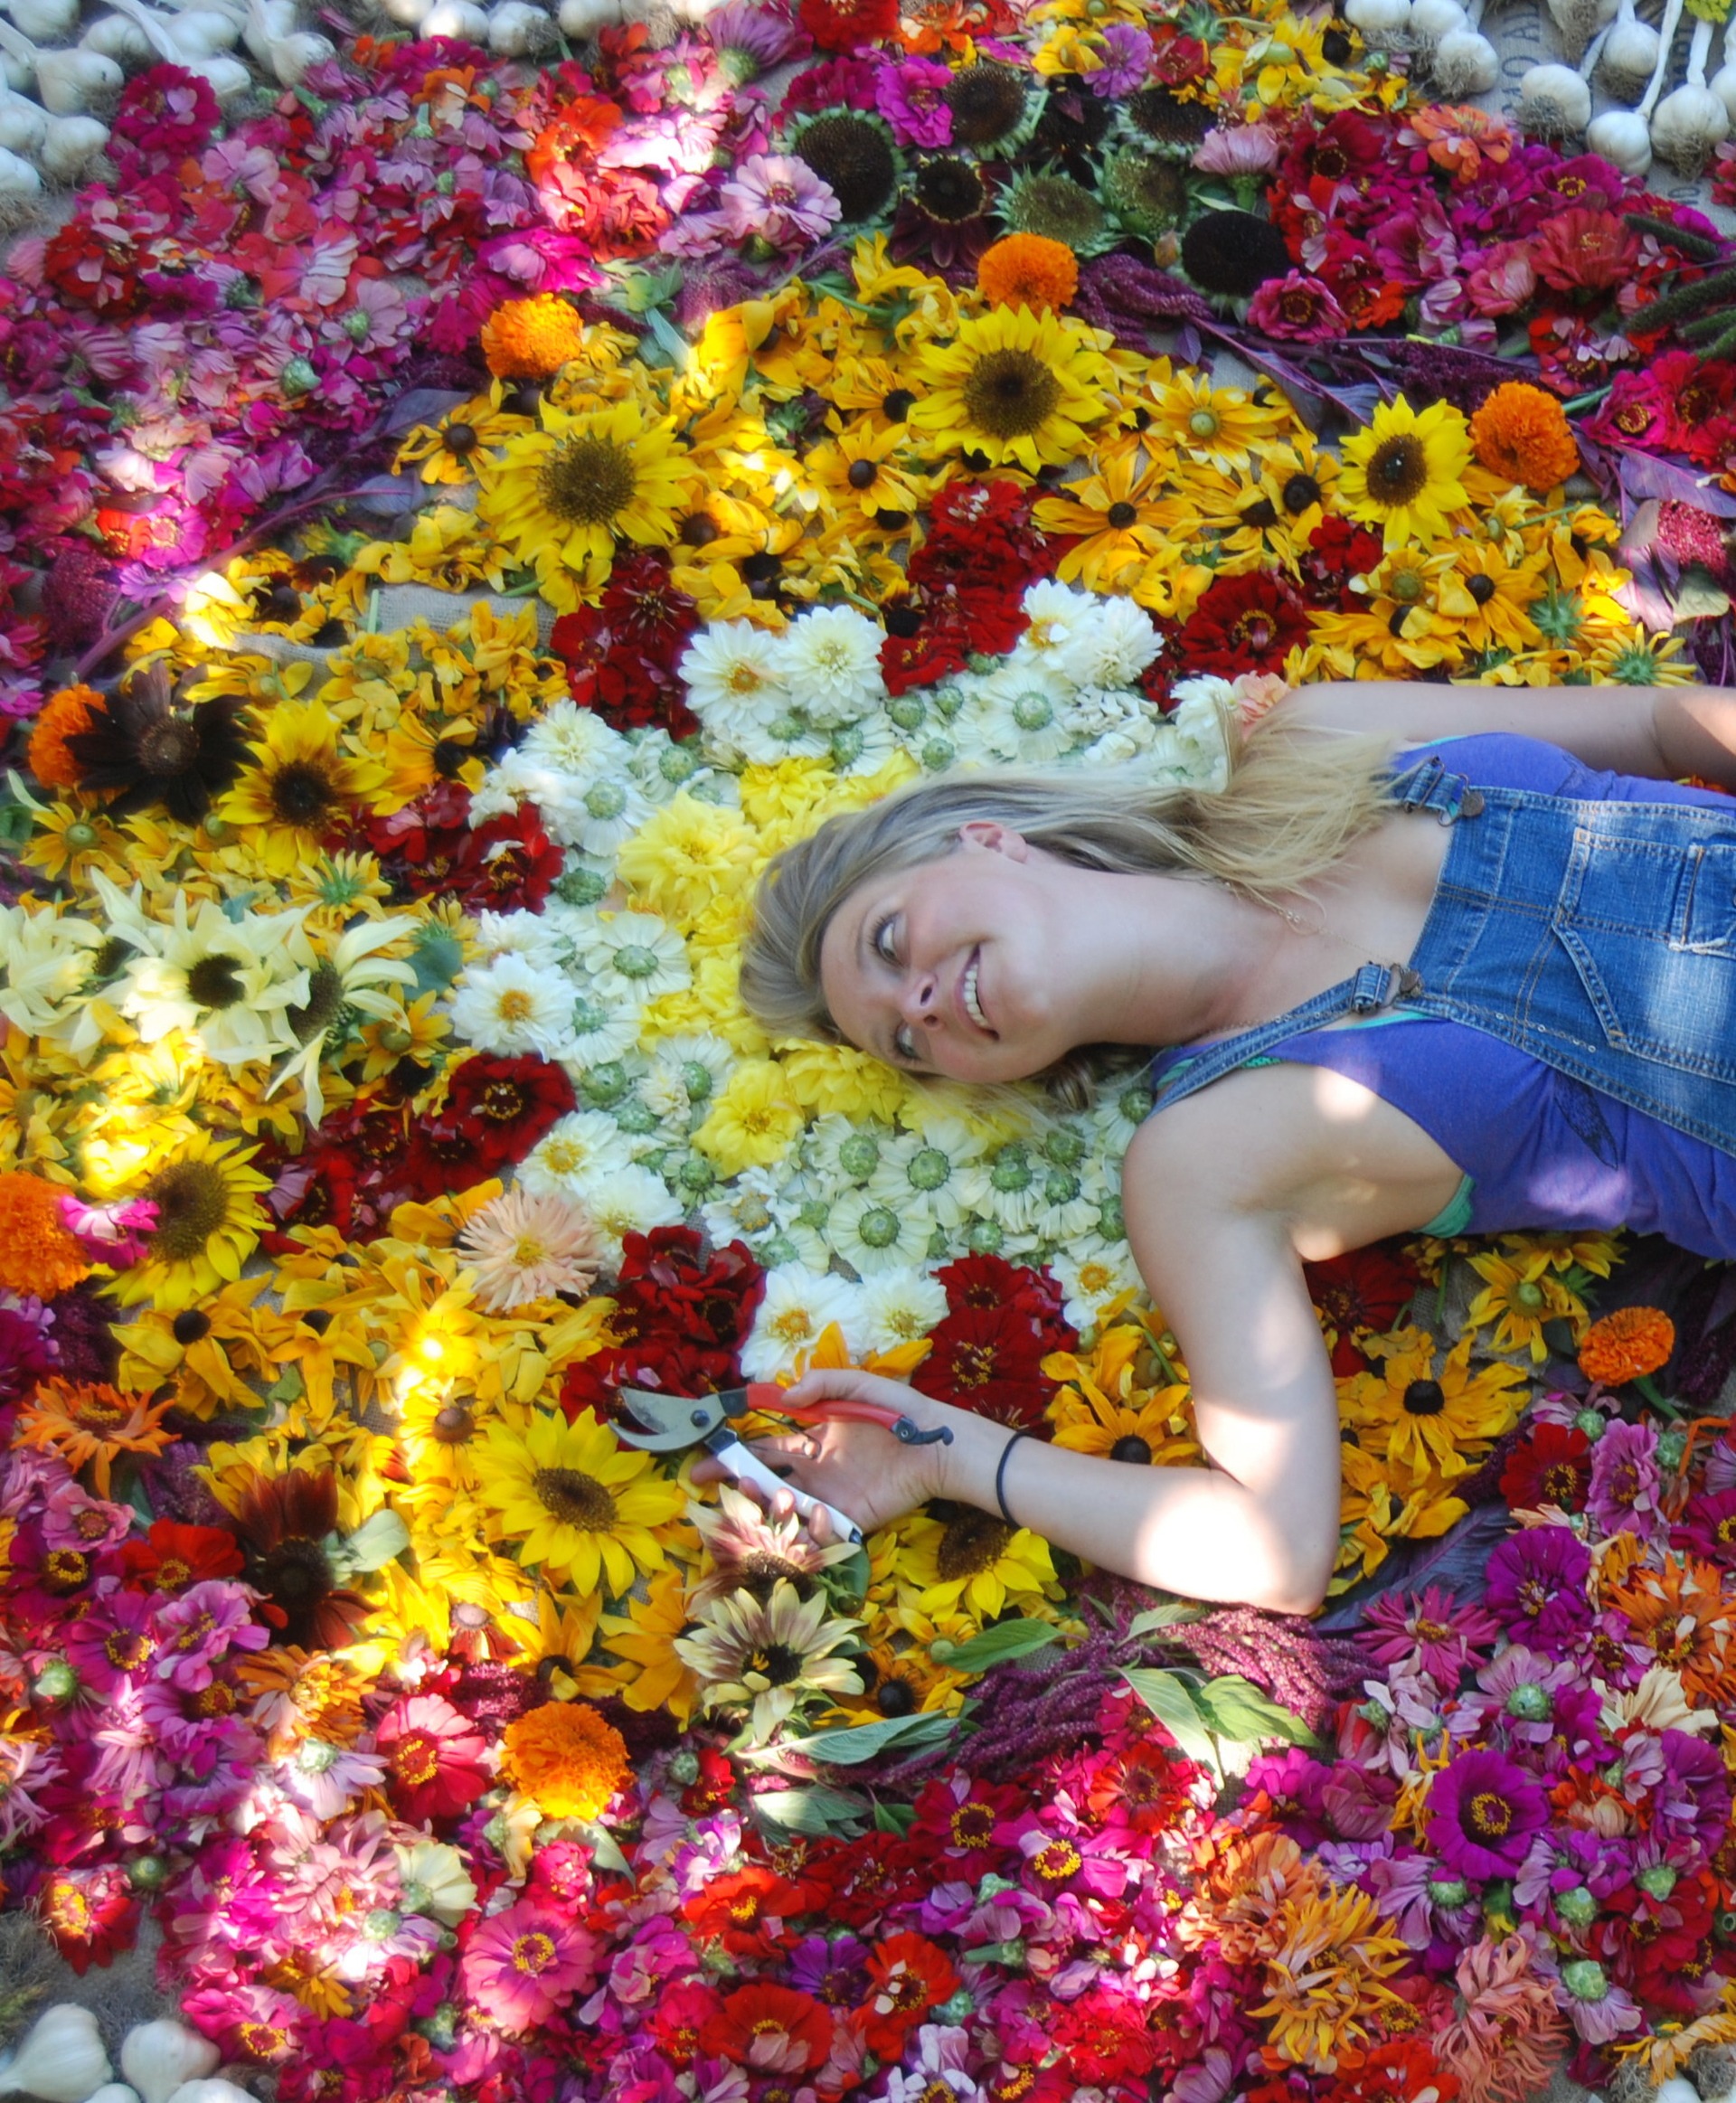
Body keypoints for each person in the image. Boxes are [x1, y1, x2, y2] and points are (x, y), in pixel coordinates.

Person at [707, 681, 1736, 1615]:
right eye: (905, 1040)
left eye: (889, 944)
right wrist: (947, 1454)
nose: (920, 1004)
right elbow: (1274, 1545)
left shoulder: (1321, 742)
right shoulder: (1205, 1153)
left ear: (984, 839)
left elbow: (1655, 723)